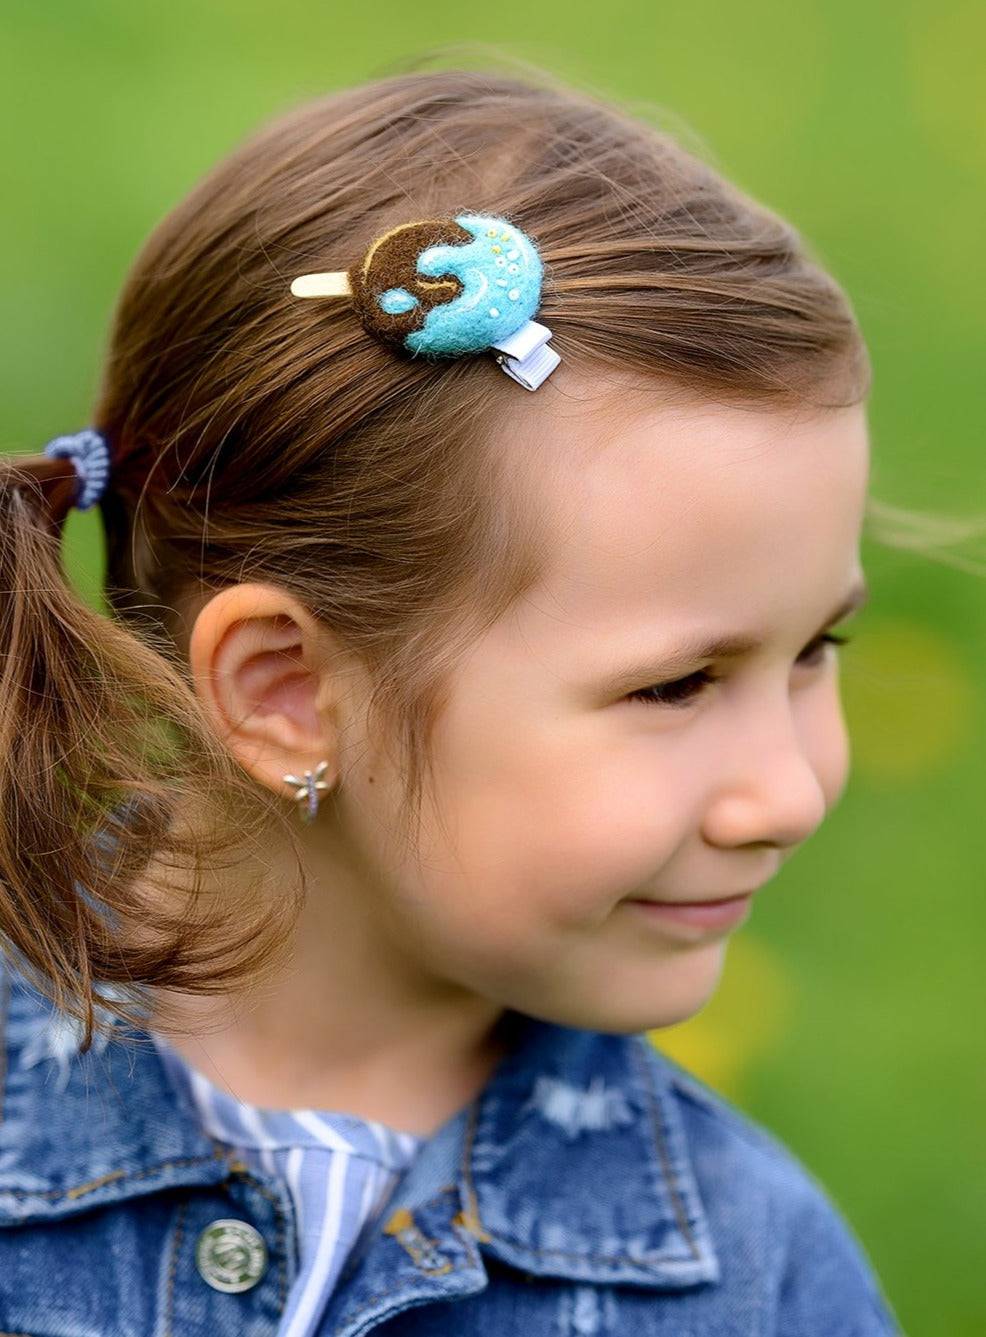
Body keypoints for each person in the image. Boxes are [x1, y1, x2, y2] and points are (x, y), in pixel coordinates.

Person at [0, 69, 899, 1335]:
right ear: (289, 691)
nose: (789, 791)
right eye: (675, 682)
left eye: (817, 646)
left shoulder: (755, 1277)